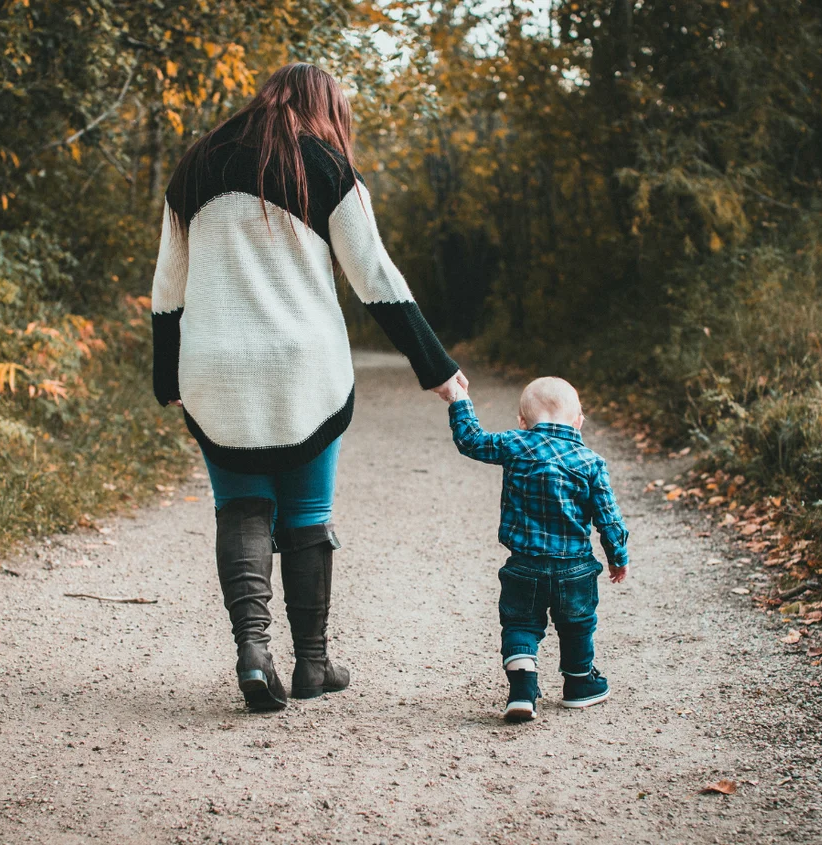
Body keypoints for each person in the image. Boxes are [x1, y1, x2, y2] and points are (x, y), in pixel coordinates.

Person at [149, 63, 467, 712]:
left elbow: (167, 287)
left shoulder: (196, 164)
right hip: (306, 369)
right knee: (307, 511)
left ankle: (253, 653)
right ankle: (313, 664)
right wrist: (435, 365)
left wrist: (167, 374)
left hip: (215, 365)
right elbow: (373, 274)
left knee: (240, 504)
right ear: (323, 107)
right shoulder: (322, 165)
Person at [440, 376, 629, 721]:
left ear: (522, 422)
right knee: (578, 624)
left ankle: (522, 691)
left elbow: (471, 440)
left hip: (524, 565)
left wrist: (458, 399)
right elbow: (609, 518)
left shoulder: (516, 443)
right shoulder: (590, 462)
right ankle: (579, 683)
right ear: (579, 421)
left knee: (521, 624)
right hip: (575, 568)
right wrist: (618, 557)